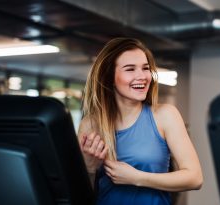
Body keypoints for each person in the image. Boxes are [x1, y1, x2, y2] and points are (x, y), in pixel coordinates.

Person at [78, 37, 203, 205]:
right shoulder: (91, 124)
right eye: (130, 69)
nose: (142, 76)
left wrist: (137, 178)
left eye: (145, 68)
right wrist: (89, 168)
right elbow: (78, 193)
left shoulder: (165, 115)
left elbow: (194, 178)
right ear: (109, 78)